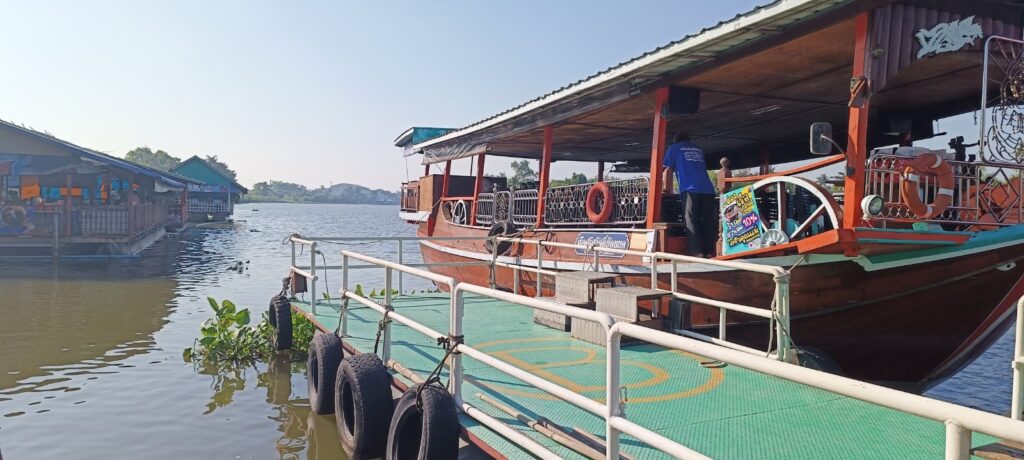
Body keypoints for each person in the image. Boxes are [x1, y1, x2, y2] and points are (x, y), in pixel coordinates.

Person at [662, 133, 717, 257]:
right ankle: (710, 252)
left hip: (690, 188)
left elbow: (667, 169)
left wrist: (666, 189)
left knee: (691, 220)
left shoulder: (674, 148)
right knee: (708, 221)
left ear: (676, 140)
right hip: (708, 189)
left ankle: (697, 252)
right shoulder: (699, 149)